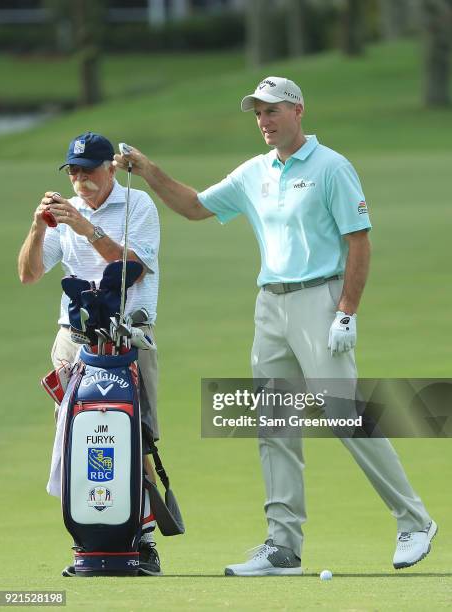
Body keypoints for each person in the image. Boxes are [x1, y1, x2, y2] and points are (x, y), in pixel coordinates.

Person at [113, 77, 437, 576]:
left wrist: (347, 310)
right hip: (271, 307)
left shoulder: (331, 167)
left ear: (298, 110)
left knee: (346, 416)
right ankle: (282, 546)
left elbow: (359, 241)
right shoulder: (253, 173)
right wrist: (150, 170)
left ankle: (414, 520)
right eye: (258, 113)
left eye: (272, 111)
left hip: (320, 301)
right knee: (274, 424)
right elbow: (195, 206)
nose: (264, 121)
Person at [18, 131, 162, 576]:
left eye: (88, 170)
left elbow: (132, 269)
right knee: (76, 439)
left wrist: (85, 227)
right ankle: (87, 537)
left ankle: (144, 541)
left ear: (110, 169)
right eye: (73, 171)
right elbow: (29, 273)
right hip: (73, 341)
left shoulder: (138, 204)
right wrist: (39, 226)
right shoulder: (67, 211)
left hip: (129, 336)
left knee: (138, 435)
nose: (80, 180)